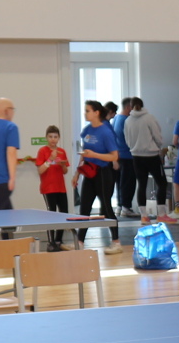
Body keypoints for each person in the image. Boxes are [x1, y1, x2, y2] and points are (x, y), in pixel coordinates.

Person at [75, 100, 123, 254]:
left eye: (88, 110)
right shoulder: (87, 130)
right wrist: (77, 173)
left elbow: (114, 156)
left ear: (96, 113)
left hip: (103, 173)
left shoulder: (106, 132)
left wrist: (95, 155)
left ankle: (116, 242)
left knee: (106, 207)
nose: (85, 113)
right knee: (84, 207)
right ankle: (80, 242)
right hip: (89, 172)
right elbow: (84, 153)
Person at [124, 97, 169, 220]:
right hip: (151, 156)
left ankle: (144, 216)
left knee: (142, 185)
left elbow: (127, 140)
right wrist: (159, 147)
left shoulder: (128, 120)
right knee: (162, 183)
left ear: (131, 106)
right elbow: (157, 136)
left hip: (136, 157)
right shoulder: (149, 118)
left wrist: (134, 148)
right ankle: (161, 214)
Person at [33, 126, 73, 250]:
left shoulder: (62, 151)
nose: (53, 139)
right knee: (51, 214)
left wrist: (62, 165)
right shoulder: (43, 151)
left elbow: (65, 171)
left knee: (63, 213)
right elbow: (40, 170)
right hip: (48, 188)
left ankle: (59, 240)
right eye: (50, 137)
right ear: (46, 137)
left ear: (59, 138)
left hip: (61, 187)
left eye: (55, 137)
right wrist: (50, 159)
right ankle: (51, 242)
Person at [110, 100, 136, 216]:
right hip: (127, 155)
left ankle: (120, 206)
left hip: (118, 155)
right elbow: (130, 138)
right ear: (128, 107)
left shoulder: (116, 119)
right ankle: (126, 207)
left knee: (120, 182)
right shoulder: (126, 120)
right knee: (128, 182)